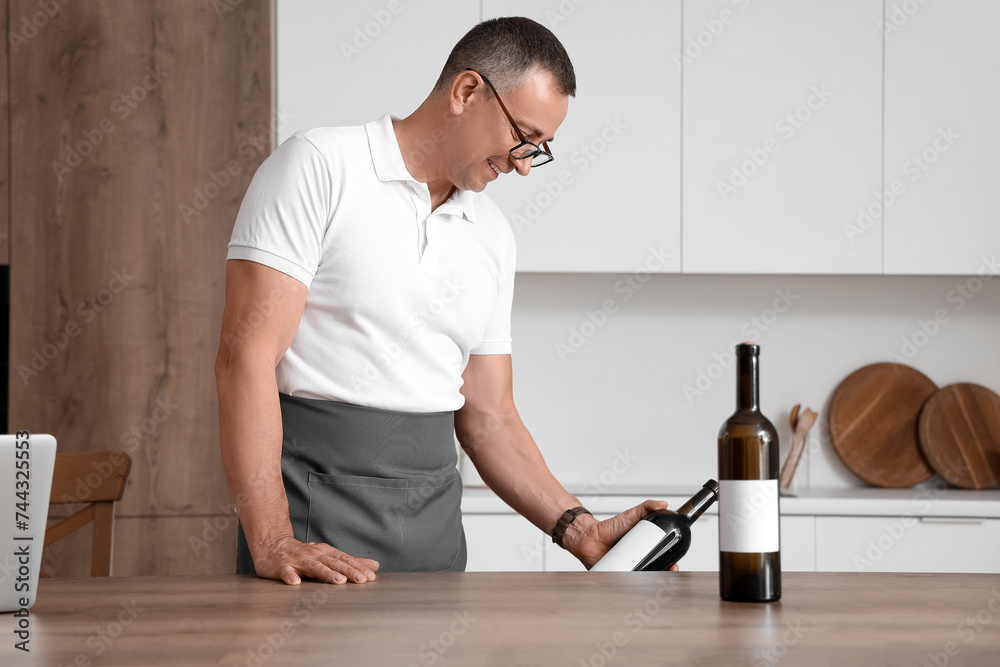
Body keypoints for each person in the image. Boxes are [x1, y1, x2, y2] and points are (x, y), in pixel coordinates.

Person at [215, 16, 676, 586]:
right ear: (466, 91)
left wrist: (579, 530)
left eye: (541, 148)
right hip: (315, 529)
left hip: (435, 539)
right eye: (523, 136)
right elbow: (245, 357)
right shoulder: (319, 166)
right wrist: (271, 541)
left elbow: (489, 416)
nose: (525, 163)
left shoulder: (493, 234)